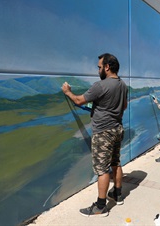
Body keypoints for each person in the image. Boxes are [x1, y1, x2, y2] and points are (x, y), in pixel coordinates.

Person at [62, 53, 128, 217]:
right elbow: (124, 106)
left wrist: (67, 92)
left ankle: (100, 206)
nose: (98, 70)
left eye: (99, 67)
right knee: (115, 162)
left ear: (107, 67)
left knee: (102, 170)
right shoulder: (123, 85)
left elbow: (78, 101)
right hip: (117, 128)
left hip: (103, 132)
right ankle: (117, 195)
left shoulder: (100, 86)